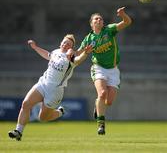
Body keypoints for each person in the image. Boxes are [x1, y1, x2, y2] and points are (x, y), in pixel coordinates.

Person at [8, 34, 92, 141]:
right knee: (26, 104)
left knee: (42, 118)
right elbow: (47, 55)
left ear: (71, 48)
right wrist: (35, 47)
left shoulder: (71, 58)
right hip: (43, 83)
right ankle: (18, 131)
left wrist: (85, 52)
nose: (65, 44)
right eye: (64, 41)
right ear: (61, 43)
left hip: (55, 91)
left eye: (69, 44)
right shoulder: (56, 52)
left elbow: (79, 60)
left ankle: (60, 112)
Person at [77, 7, 132, 135]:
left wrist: (123, 15)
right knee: (102, 94)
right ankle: (101, 125)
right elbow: (78, 52)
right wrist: (71, 52)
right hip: (99, 68)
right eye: (96, 18)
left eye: (101, 18)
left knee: (109, 101)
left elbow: (127, 22)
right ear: (92, 24)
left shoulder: (109, 30)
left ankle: (98, 108)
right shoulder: (88, 39)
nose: (99, 20)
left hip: (113, 70)